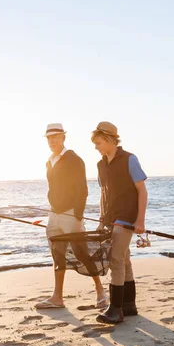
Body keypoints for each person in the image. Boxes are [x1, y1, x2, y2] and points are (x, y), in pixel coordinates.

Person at [35, 123, 107, 309]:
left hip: (71, 215)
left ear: (63, 138)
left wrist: (77, 217)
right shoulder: (49, 161)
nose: (52, 141)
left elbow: (82, 190)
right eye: (49, 138)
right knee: (57, 255)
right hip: (54, 214)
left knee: (80, 253)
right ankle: (57, 297)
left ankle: (100, 291)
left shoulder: (74, 159)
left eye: (56, 137)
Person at [91, 121, 148, 324]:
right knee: (124, 259)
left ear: (109, 139)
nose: (96, 147)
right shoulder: (100, 165)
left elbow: (141, 190)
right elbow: (103, 194)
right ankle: (129, 305)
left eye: (98, 142)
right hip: (110, 218)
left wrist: (140, 219)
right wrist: (101, 218)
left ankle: (115, 309)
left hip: (126, 216)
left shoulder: (129, 159)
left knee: (115, 259)